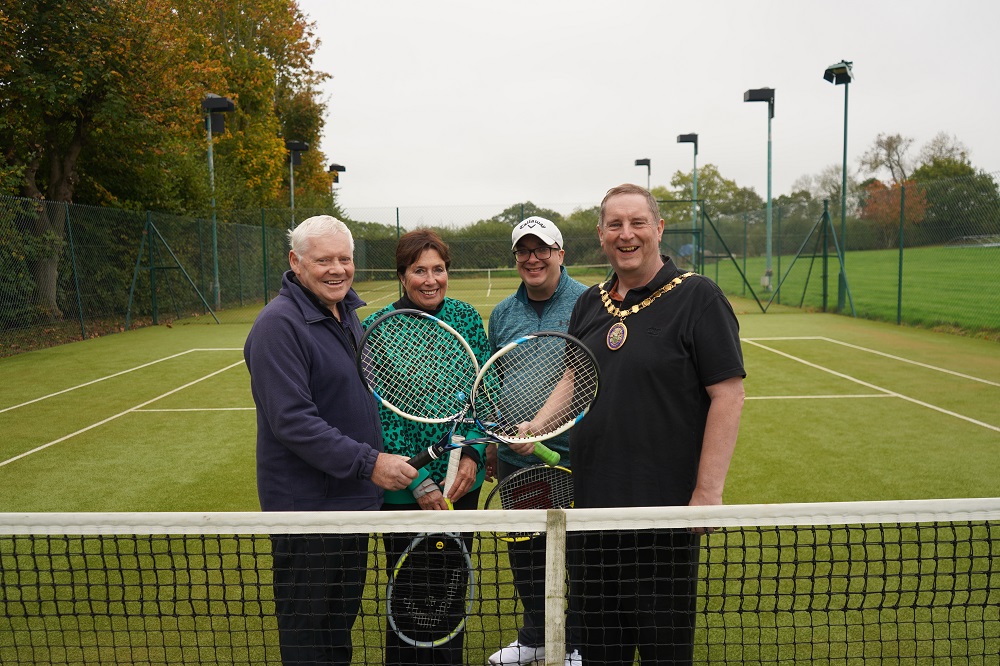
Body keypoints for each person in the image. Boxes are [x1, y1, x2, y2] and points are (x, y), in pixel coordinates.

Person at [567, 184, 746, 664]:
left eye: (637, 223)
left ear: (658, 229)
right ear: (601, 235)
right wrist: (536, 426)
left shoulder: (699, 297)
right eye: (615, 225)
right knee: (602, 654)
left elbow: (728, 393)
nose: (627, 235)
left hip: (663, 518)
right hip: (592, 514)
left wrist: (707, 494)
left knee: (665, 654)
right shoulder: (588, 303)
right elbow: (573, 377)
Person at [243, 215, 417, 666]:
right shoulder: (277, 326)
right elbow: (294, 422)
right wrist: (371, 464)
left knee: (338, 627)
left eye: (344, 258)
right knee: (308, 637)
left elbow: (362, 402)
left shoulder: (348, 316)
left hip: (352, 506)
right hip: (308, 515)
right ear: (296, 263)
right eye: (323, 260)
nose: (336, 269)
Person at [361, 228, 492, 666]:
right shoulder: (374, 329)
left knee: (451, 589)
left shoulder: (467, 317)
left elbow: (484, 392)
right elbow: (376, 419)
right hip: (403, 489)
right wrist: (417, 480)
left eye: (438, 269)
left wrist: (472, 454)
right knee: (410, 596)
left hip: (460, 486)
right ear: (402, 275)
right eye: (419, 270)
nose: (430, 279)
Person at [485, 216, 587, 666]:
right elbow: (494, 382)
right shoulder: (503, 313)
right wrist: (495, 444)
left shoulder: (589, 302)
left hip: (575, 455)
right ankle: (535, 637)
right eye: (524, 251)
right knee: (526, 553)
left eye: (541, 249)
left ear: (559, 254)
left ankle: (578, 642)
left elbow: (585, 375)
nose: (532, 258)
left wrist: (541, 428)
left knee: (582, 557)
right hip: (516, 460)